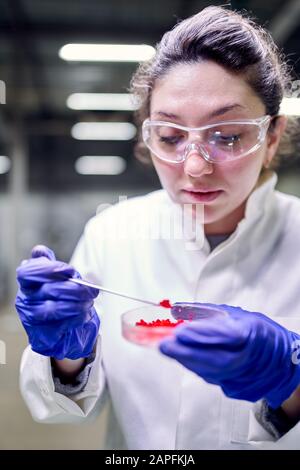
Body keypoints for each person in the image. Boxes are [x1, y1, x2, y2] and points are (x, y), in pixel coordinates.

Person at [15, 6, 300, 449]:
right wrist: (68, 355)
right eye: (170, 137)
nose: (194, 167)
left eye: (226, 135)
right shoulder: (113, 233)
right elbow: (61, 408)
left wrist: (293, 380)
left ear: (273, 136)